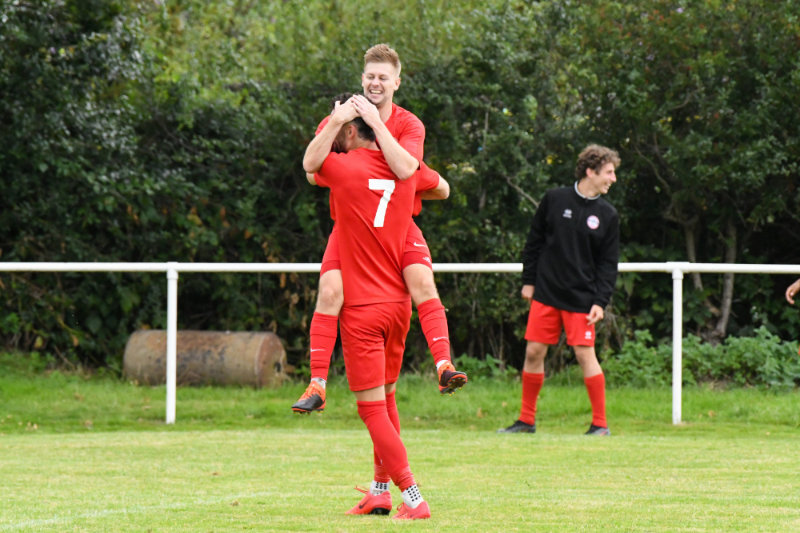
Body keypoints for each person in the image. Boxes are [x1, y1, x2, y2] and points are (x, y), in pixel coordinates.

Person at [292, 44, 466, 414]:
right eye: (370, 76)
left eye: (383, 77)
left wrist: (378, 131)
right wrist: (340, 124)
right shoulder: (340, 117)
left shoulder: (408, 124)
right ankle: (317, 383)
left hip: (398, 226)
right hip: (352, 227)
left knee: (422, 283)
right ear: (362, 79)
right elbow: (310, 170)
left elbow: (414, 174)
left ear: (396, 83)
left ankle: (444, 365)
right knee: (330, 291)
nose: (375, 83)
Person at [304, 95, 432, 520]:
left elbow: (310, 164)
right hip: (397, 306)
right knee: (388, 400)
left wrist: (338, 119)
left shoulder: (342, 169)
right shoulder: (404, 169)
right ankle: (379, 492)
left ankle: (413, 497)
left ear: (350, 132)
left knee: (372, 410)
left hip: (362, 309)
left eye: (337, 133)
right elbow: (440, 185)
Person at [499, 144, 621, 436]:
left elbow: (608, 265)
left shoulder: (608, 215)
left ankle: (600, 425)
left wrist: (600, 302)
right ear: (590, 171)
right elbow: (534, 242)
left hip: (583, 299)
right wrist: (529, 281)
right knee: (533, 352)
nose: (613, 178)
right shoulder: (554, 199)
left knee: (584, 355)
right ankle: (526, 421)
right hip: (546, 292)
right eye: (608, 172)